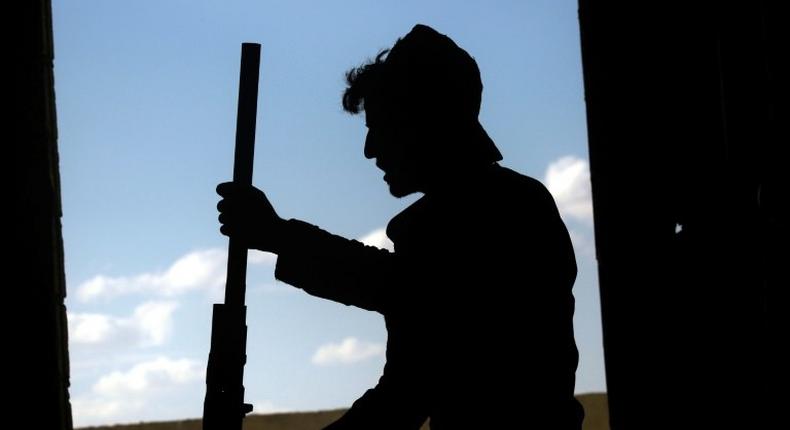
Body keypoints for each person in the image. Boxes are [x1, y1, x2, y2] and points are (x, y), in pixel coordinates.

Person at [217, 24, 584, 429]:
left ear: (424, 123)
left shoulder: (495, 214)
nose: (370, 149)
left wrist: (277, 235)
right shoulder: (510, 205)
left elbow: (408, 351)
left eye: (381, 127)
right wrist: (277, 235)